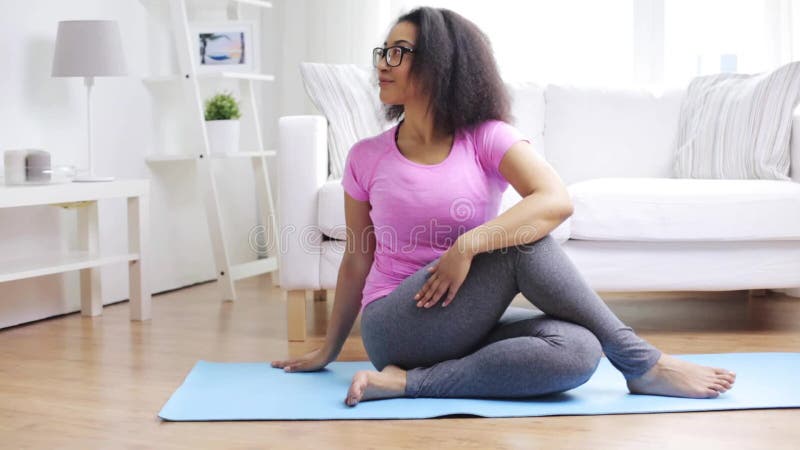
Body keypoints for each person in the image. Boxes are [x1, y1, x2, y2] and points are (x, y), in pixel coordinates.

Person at [271, 6, 736, 407]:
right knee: (522, 244)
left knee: (578, 350)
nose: (382, 65)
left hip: (461, 318)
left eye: (398, 53)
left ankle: (409, 384)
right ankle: (642, 362)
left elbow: (556, 200)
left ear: (439, 65)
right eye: (383, 52)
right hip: (396, 323)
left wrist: (466, 247)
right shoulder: (366, 156)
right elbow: (357, 258)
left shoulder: (486, 138)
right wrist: (327, 350)